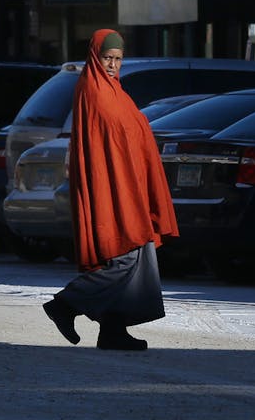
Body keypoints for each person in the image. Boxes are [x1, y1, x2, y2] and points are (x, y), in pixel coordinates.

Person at [42, 29, 179, 351]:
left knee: (139, 257)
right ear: (95, 56)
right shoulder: (94, 92)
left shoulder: (115, 91)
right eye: (107, 58)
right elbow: (107, 149)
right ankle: (65, 304)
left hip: (129, 188)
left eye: (118, 59)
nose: (112, 65)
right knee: (124, 257)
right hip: (113, 192)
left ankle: (113, 331)